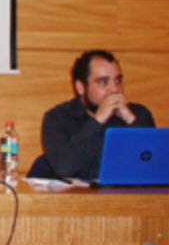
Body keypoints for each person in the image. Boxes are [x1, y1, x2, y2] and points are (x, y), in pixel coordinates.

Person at [40, 50, 155, 179]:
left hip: (130, 196)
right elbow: (64, 168)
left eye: (117, 80)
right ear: (81, 87)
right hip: (77, 198)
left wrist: (130, 120)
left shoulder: (138, 114)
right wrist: (97, 121)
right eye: (102, 82)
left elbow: (154, 164)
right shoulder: (57, 118)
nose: (114, 89)